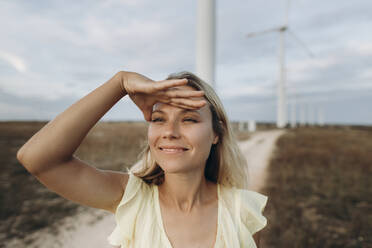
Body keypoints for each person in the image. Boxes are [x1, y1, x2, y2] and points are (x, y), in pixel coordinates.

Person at [17, 71, 268, 248]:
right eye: (159, 119)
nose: (170, 131)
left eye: (189, 119)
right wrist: (120, 83)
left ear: (216, 133)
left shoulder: (243, 212)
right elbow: (37, 159)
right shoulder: (131, 198)